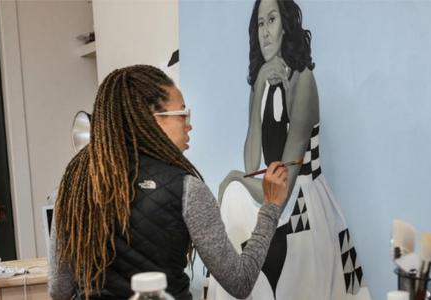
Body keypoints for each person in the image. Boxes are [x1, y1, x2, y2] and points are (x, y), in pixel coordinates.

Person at [48, 65, 290, 300]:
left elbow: (59, 290)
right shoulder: (185, 188)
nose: (189, 124)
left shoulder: (75, 184)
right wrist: (270, 206)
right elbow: (240, 282)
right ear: (151, 119)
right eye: (182, 114)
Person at [208, 0, 371, 299]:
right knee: (233, 201)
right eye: (260, 23)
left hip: (301, 206)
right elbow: (252, 164)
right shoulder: (261, 82)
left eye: (272, 20)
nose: (265, 32)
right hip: (276, 197)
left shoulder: (303, 80)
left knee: (236, 197)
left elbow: (285, 181)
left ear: (286, 27)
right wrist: (258, 88)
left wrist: (234, 177)